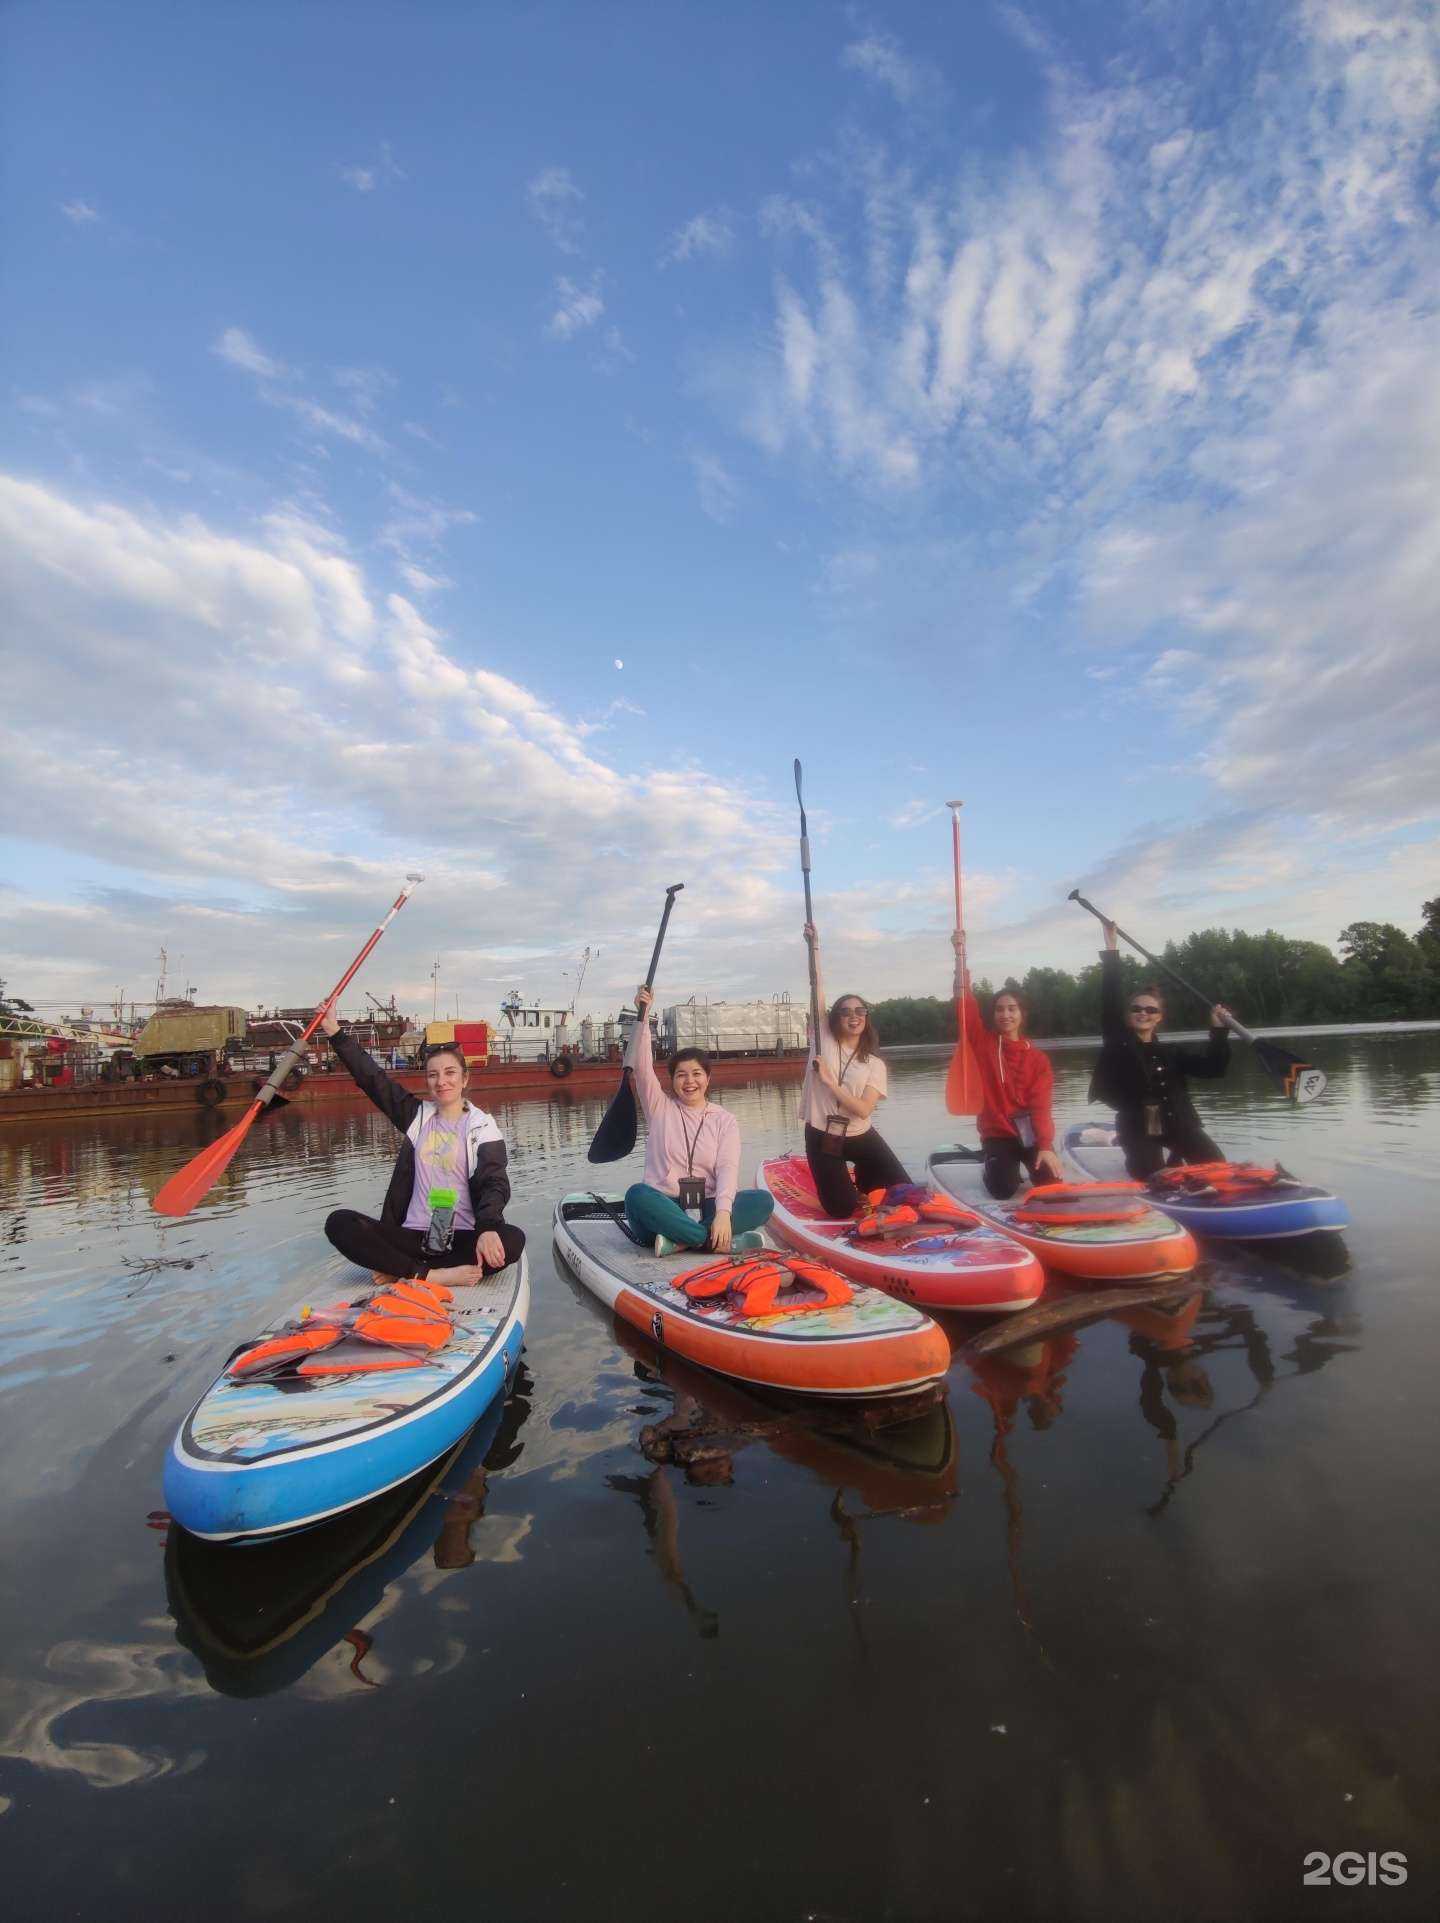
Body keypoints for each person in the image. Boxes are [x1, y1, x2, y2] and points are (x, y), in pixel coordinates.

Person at [319, 1005, 525, 1285]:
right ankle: (428, 1274)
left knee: (513, 1239)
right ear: (427, 1080)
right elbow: (373, 1080)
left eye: (450, 1073)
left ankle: (401, 1269)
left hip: (460, 1238)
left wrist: (488, 1228)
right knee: (339, 1222)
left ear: (464, 1079)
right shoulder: (417, 1117)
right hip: (413, 1237)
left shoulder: (482, 1126)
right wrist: (334, 1031)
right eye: (433, 1075)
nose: (442, 1082)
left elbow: (495, 1182)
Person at [623, 985, 774, 1256]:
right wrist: (643, 1017)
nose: (689, 1081)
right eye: (681, 1075)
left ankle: (681, 1242)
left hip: (706, 1205)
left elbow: (728, 1167)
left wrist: (723, 1214)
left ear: (708, 1078)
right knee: (637, 1195)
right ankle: (711, 1242)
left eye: (696, 1073)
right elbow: (643, 1067)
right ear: (672, 1081)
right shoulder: (660, 1108)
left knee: (762, 1201)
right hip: (663, 1207)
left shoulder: (724, 1119)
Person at [1091, 919, 1233, 1179]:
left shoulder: (1172, 1053)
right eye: (1136, 1008)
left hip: (1178, 1121)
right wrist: (1111, 949)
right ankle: (1146, 1162)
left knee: (1218, 1170)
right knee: (1155, 1176)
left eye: (1150, 1010)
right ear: (1127, 1014)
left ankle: (1177, 1156)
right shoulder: (1118, 1044)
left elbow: (1214, 1069)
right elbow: (1110, 998)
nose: (1143, 1013)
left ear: (1159, 1017)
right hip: (1138, 1126)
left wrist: (1220, 1032)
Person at [800, 924, 911, 1217]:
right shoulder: (823, 1039)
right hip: (823, 1134)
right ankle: (848, 1189)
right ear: (834, 1018)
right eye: (845, 1011)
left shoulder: (875, 1064)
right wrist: (814, 947)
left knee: (905, 1191)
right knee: (842, 1209)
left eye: (860, 1011)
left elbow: (863, 1110)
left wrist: (830, 1083)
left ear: (866, 1018)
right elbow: (816, 986)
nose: (853, 1016)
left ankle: (865, 1179)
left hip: (860, 1134)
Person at [951, 932, 1062, 1197]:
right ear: (993, 1015)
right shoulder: (983, 1043)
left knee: (1052, 1187)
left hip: (1031, 1135)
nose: (1005, 1014)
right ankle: (991, 1166)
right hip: (997, 1135)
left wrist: (1045, 1146)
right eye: (1000, 1009)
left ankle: (1039, 1164)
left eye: (1012, 1009)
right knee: (1003, 1190)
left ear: (1022, 1014)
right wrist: (959, 956)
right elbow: (964, 1002)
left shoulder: (1038, 1059)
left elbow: (1041, 1106)